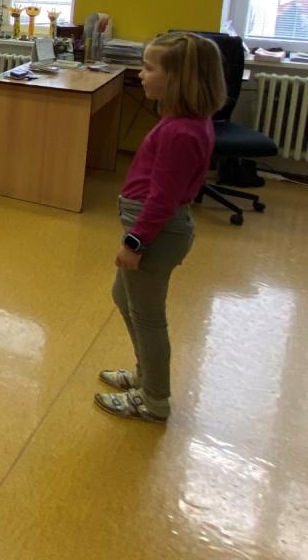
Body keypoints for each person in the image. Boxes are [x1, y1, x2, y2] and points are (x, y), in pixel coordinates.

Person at [94, 32, 227, 424]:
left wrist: (135, 242)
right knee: (123, 296)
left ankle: (154, 399)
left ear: (178, 80)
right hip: (154, 228)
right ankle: (145, 374)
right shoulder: (182, 122)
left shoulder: (180, 132)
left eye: (149, 68)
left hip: (156, 232)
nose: (141, 74)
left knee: (148, 316)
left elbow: (163, 199)